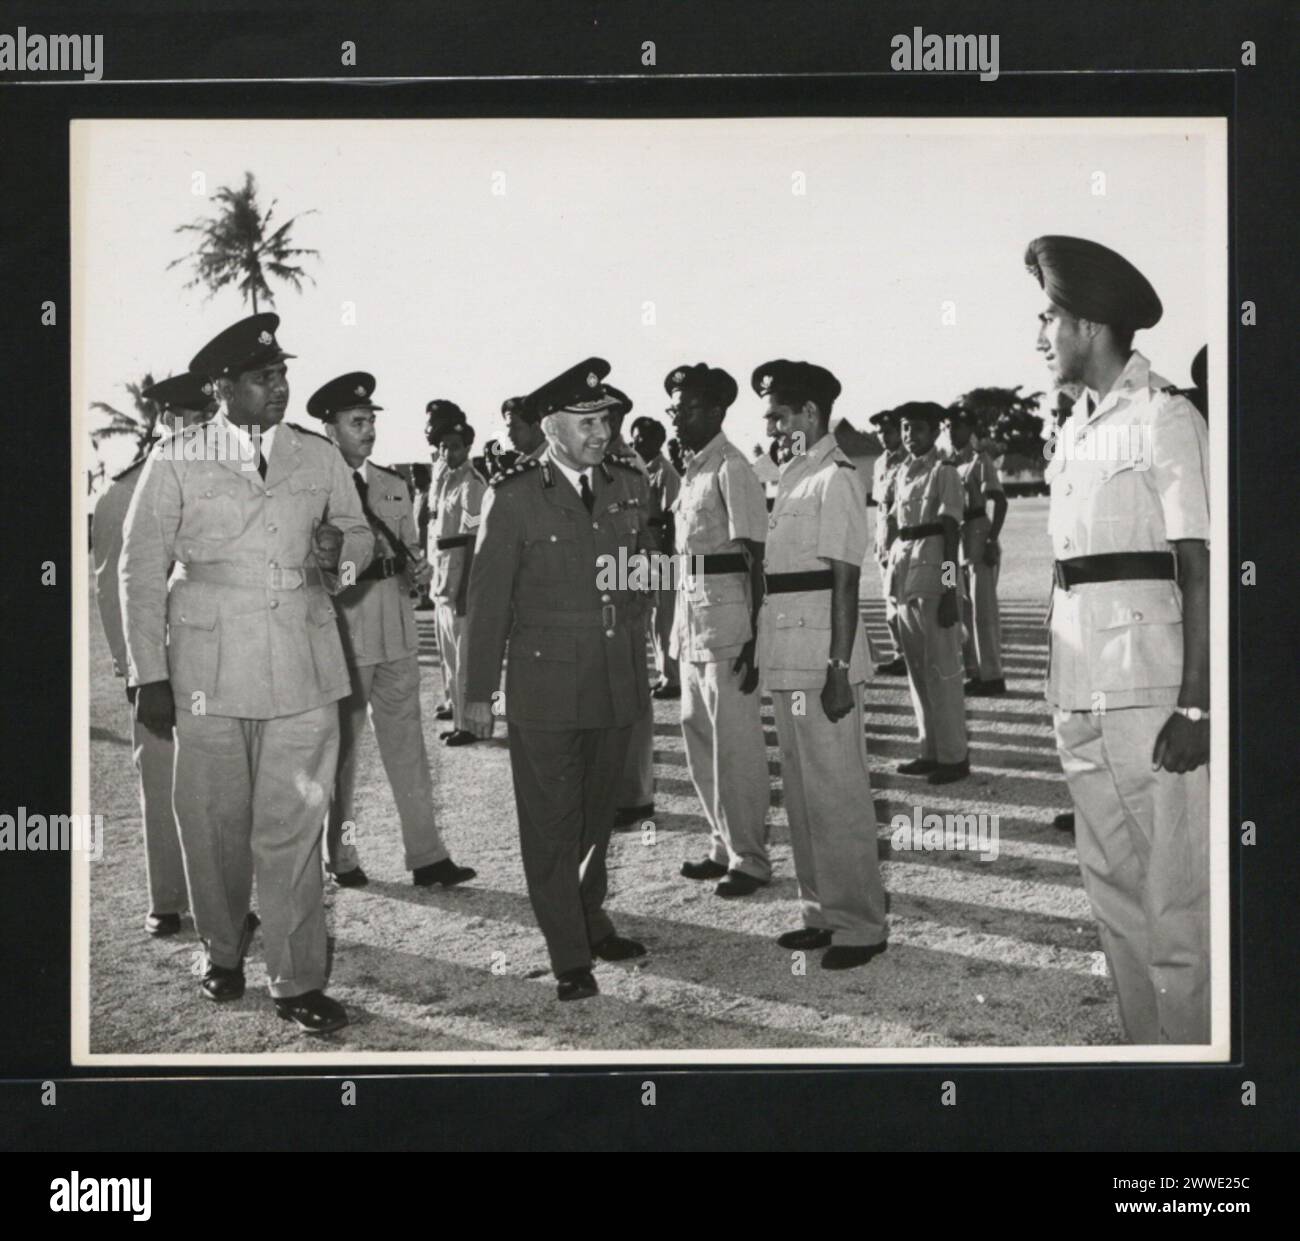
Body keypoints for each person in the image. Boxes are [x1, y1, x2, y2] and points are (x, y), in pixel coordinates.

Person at [120, 313, 374, 1034]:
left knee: (295, 826)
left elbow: (359, 535)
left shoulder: (317, 455)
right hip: (207, 669)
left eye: (282, 372)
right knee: (213, 823)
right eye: (263, 376)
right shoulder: (176, 457)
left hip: (302, 662)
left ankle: (298, 980)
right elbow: (141, 570)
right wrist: (149, 674)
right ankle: (223, 951)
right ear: (222, 387)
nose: (280, 386)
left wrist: (342, 553)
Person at [1026, 234, 1210, 1043]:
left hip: (1149, 689)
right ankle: (1150, 1059)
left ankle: (1196, 1066)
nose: (1041, 336)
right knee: (1112, 892)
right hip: (1078, 686)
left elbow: (1199, 565)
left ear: (1090, 324)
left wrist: (1197, 705)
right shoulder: (1075, 427)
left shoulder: (1165, 416)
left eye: (1049, 318)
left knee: (1177, 897)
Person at [461, 358, 650, 1002]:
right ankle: (569, 952)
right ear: (551, 427)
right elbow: (488, 600)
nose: (602, 432)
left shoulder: (629, 483)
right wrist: (476, 693)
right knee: (551, 822)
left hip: (614, 675)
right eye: (586, 422)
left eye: (606, 420)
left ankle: (591, 918)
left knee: (598, 814)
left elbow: (639, 572)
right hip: (545, 682)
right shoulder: (514, 495)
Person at [306, 371, 476, 891]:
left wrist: (416, 569)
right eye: (356, 422)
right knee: (344, 756)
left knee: (409, 750)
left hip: (396, 632)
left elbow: (409, 548)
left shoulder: (393, 485)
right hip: (346, 635)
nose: (369, 430)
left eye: (370, 421)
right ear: (330, 429)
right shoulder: (314, 490)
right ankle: (341, 856)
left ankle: (427, 855)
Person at [754, 360, 888, 969]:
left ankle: (860, 925)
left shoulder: (836, 478)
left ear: (810, 413)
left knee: (838, 793)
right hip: (788, 654)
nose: (772, 428)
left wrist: (838, 667)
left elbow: (844, 580)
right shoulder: (793, 476)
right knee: (804, 795)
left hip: (823, 659)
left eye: (779, 416)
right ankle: (820, 913)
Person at [92, 372, 214, 937]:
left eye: (207, 416)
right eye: (190, 417)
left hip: (213, 659)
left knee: (216, 785)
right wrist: (139, 675)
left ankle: (219, 899)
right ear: (166, 420)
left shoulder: (220, 478)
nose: (201, 427)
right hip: (158, 663)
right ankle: (167, 901)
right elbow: (111, 589)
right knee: (162, 782)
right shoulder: (125, 491)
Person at [666, 363, 772, 896]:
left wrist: (757, 638)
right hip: (692, 623)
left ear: (715, 411)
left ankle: (750, 857)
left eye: (686, 408)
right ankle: (721, 844)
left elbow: (757, 557)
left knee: (736, 748)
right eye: (673, 408)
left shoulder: (732, 468)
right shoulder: (691, 471)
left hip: (730, 629)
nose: (676, 417)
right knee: (699, 737)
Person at [885, 401, 970, 784]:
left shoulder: (944, 472)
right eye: (905, 428)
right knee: (917, 669)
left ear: (935, 432)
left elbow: (952, 534)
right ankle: (929, 750)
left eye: (918, 428)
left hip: (934, 575)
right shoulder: (902, 472)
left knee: (943, 671)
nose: (909, 436)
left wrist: (951, 591)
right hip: (905, 572)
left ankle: (954, 757)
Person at [605, 388, 658, 828]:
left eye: (610, 417)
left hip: (624, 594)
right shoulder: (581, 463)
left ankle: (635, 795)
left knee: (632, 697)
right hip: (591, 595)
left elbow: (647, 537)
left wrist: (641, 597)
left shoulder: (629, 467)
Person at [425, 401, 488, 745]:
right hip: (442, 580)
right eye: (444, 446)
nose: (448, 452)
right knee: (448, 655)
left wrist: (467, 589)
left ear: (467, 448)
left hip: (459, 580)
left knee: (463, 659)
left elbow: (474, 538)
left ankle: (468, 725)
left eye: (455, 446)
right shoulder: (444, 480)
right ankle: (455, 707)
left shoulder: (471, 483)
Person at [942, 406, 1008, 695]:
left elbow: (1000, 501)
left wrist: (992, 541)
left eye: (956, 426)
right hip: (956, 541)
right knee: (962, 612)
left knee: (984, 613)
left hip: (979, 537)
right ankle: (974, 672)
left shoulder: (980, 461)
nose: (951, 432)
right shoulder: (948, 465)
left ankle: (992, 676)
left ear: (969, 429)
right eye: (947, 427)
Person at [632, 414, 682, 699]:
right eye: (634, 439)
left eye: (642, 439)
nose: (636, 444)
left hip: (661, 551)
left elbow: (672, 518)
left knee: (664, 618)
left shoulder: (666, 472)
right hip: (644, 550)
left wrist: (665, 562)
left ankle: (672, 678)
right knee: (650, 617)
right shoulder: (640, 469)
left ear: (657, 441)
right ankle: (663, 674)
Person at [866, 408, 908, 675]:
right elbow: (880, 506)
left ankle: (909, 654)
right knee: (890, 603)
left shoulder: (909, 460)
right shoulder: (880, 462)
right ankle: (899, 653)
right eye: (880, 432)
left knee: (903, 602)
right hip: (884, 540)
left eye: (888, 431)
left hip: (902, 540)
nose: (883, 436)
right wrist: (878, 542)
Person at [501, 394, 548, 464]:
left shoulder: (554, 456)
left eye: (516, 428)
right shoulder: (520, 462)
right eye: (509, 427)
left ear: (535, 427)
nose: (510, 434)